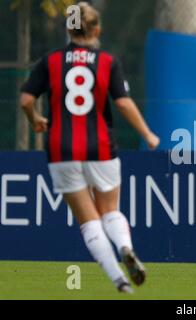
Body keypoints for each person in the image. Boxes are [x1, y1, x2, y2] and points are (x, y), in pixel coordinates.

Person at [19, 2, 160, 293]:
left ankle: (119, 280)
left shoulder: (51, 61)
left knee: (88, 220)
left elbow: (25, 100)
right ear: (96, 29)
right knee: (110, 211)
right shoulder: (107, 61)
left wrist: (35, 119)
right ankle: (125, 246)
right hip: (101, 146)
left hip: (61, 149)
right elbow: (122, 102)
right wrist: (147, 133)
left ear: (68, 28)